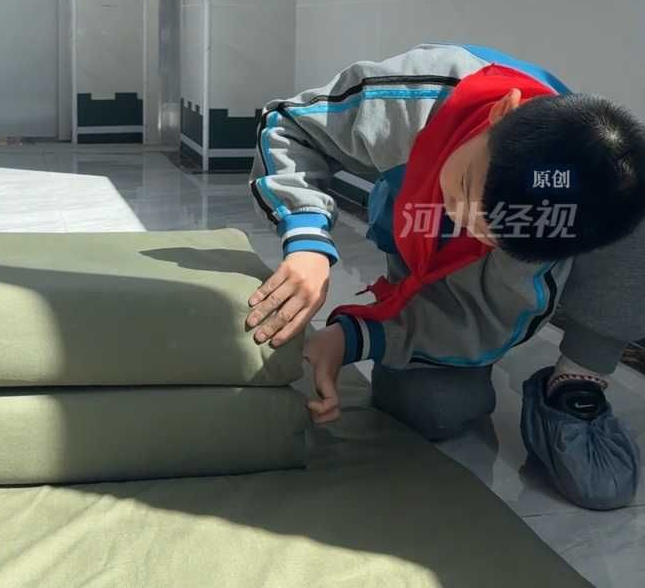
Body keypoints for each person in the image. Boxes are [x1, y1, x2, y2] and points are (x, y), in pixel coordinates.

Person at [246, 42, 645, 510]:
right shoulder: (418, 99)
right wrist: (307, 239)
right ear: (501, 112)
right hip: (415, 228)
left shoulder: (543, 224)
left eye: (492, 229)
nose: (465, 218)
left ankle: (576, 380)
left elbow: (482, 319)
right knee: (437, 409)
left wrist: (353, 338)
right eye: (467, 186)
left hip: (511, 256)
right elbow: (289, 125)